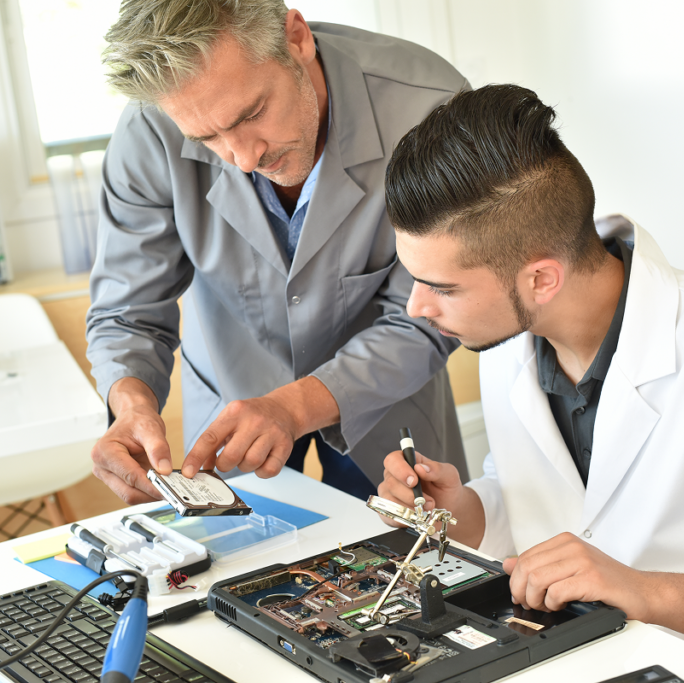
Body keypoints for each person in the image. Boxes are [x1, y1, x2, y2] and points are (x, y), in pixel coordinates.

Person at [377, 84, 684, 679]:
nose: (415, 307)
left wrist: (642, 590)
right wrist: (465, 510)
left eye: (441, 286)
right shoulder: (507, 337)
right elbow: (544, 501)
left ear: (541, 278)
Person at [85, 0, 470, 504]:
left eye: (251, 114)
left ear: (296, 37)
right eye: (207, 139)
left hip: (382, 402)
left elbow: (435, 312)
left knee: (413, 564)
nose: (244, 159)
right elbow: (125, 310)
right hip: (229, 409)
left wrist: (295, 405)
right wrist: (131, 401)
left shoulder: (432, 109)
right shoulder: (149, 129)